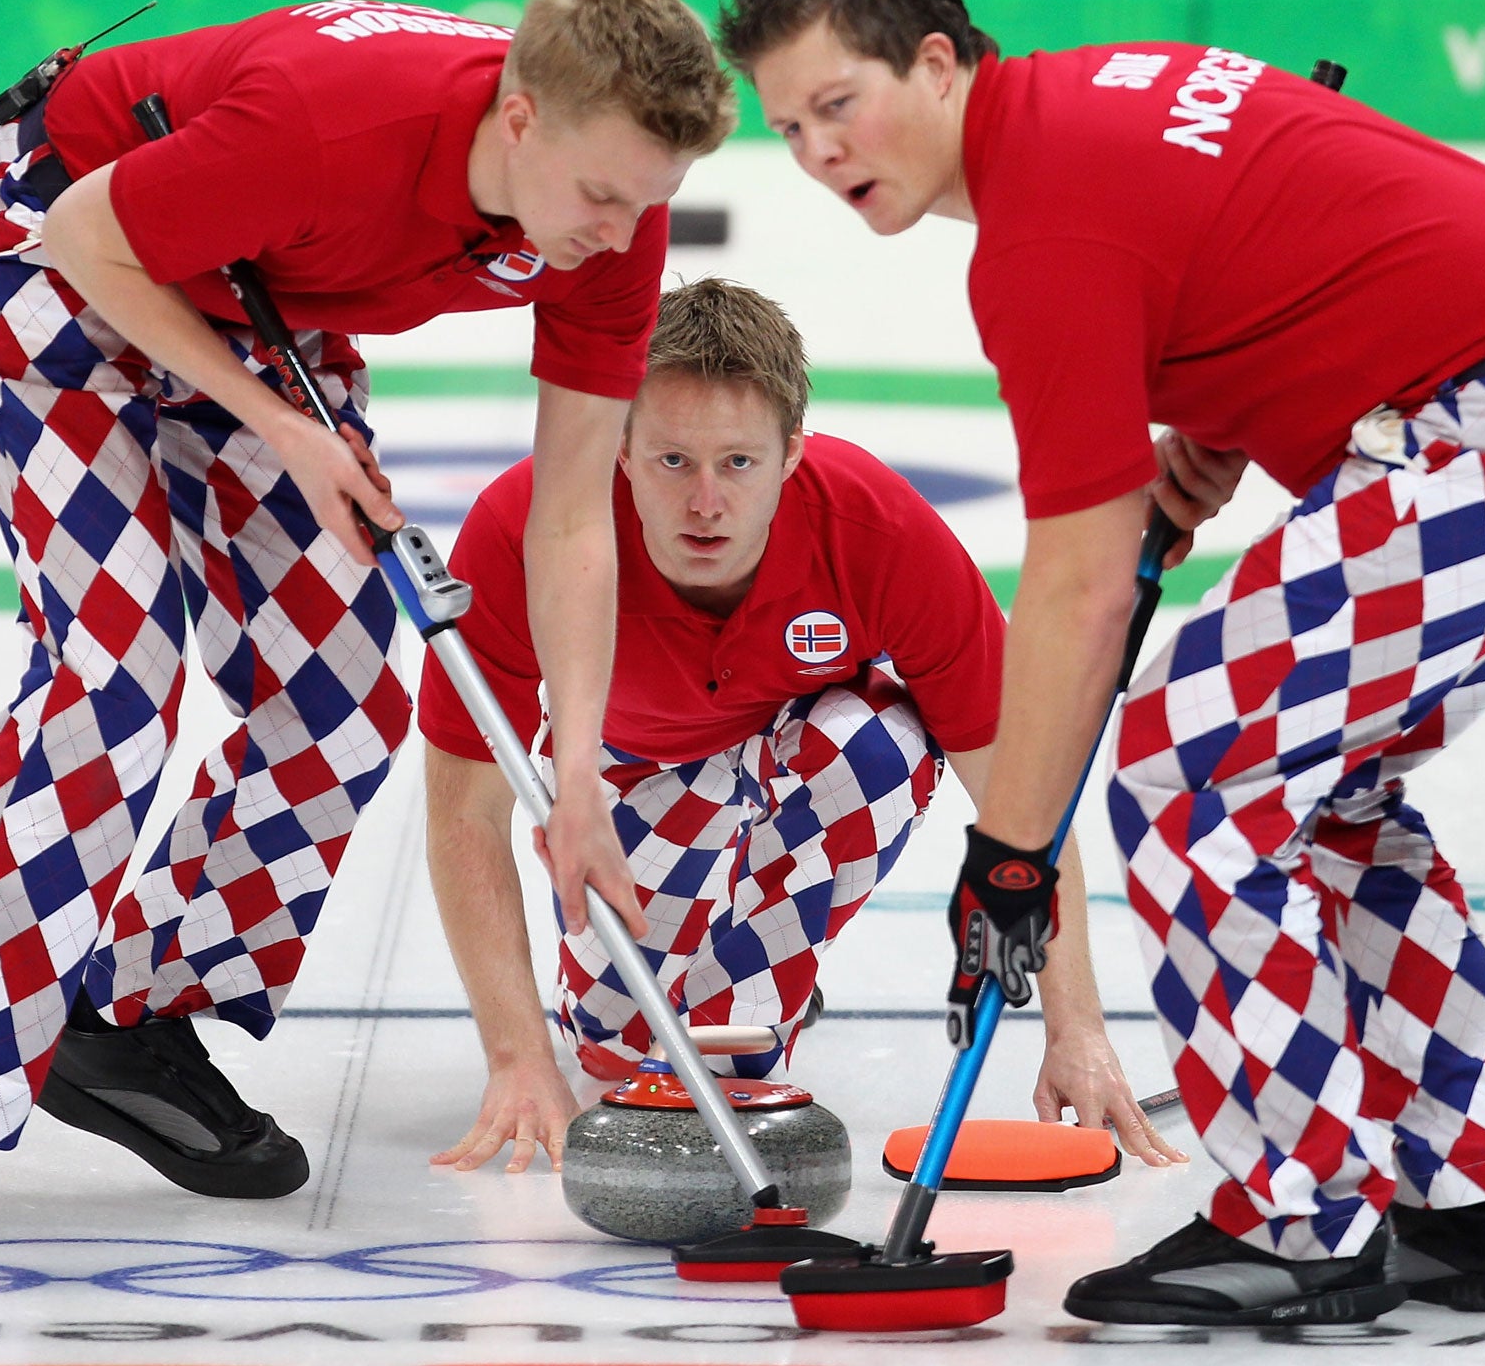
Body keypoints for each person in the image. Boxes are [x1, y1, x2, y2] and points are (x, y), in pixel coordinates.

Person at [720, 0, 1485, 1324]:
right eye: (789, 129)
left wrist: (1007, 858)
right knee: (1322, 787)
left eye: (839, 103)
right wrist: (1223, 410)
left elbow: (1077, 584)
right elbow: (1276, 230)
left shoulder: (1039, 229)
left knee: (1194, 764)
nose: (819, 152)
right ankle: (1471, 1195)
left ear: (937, 63)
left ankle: (1295, 1217)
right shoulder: (1100, 99)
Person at [0, 0, 736, 1244]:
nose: (622, 235)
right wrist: (283, 427)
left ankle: (129, 1025)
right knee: (116, 685)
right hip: (58, 265)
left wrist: (576, 773)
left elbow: (571, 517)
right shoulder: (335, 122)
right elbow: (84, 235)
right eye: (602, 197)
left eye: (648, 201)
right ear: (519, 120)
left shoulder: (615, 225)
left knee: (340, 702)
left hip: (254, 290)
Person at [419, 277, 1203, 1175]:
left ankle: (754, 1021)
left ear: (793, 453)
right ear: (622, 447)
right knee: (618, 1056)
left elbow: (1026, 796)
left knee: (875, 746)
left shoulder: (878, 529)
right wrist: (518, 1060)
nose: (706, 502)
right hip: (628, 774)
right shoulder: (527, 527)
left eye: (739, 463)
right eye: (674, 461)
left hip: (808, 749)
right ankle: (668, 1012)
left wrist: (1078, 1029)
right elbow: (464, 816)